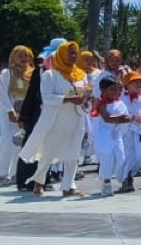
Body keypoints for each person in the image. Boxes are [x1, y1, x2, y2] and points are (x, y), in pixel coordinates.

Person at [20, 40, 90, 197]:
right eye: (70, 52)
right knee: (50, 151)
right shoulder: (50, 75)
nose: (73, 55)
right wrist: (68, 99)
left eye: (75, 52)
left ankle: (69, 186)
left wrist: (86, 99)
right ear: (61, 54)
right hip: (57, 119)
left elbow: (85, 93)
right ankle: (38, 183)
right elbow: (47, 97)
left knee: (73, 153)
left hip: (76, 117)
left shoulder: (81, 74)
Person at [0, 46, 34, 183]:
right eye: (20, 56)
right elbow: (3, 94)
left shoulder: (32, 73)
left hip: (25, 112)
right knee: (7, 140)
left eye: (26, 56)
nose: (24, 59)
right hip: (8, 112)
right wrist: (11, 111)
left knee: (20, 142)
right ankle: (2, 173)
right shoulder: (7, 73)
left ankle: (15, 173)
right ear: (14, 58)